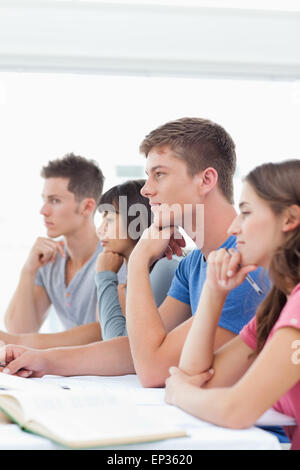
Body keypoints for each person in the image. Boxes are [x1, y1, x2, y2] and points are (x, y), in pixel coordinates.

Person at [0, 117, 268, 380]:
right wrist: (41, 359)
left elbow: (151, 368)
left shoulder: (245, 265)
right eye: (147, 177)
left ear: (206, 180)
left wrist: (139, 259)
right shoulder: (193, 264)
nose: (148, 190)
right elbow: (133, 350)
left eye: (159, 174)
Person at [165, 160, 300, 450]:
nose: (233, 227)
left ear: (290, 219)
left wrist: (179, 393)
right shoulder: (279, 303)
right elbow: (197, 377)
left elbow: (236, 410)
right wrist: (214, 295)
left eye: (247, 213)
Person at [0, 180, 179, 349]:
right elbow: (107, 341)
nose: (100, 229)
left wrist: (104, 277)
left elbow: (119, 347)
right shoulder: (126, 278)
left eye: (108, 220)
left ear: (137, 222)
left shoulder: (165, 269)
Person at [3, 153, 110, 347]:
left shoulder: (112, 257)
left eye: (54, 201)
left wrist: (22, 341)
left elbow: (103, 331)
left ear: (87, 207)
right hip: (70, 373)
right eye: (44, 200)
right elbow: (20, 331)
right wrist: (28, 271)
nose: (43, 210)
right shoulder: (50, 259)